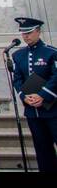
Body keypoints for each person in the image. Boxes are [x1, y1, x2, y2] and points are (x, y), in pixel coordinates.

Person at [10, 17, 56, 173]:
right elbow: (17, 79)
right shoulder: (18, 55)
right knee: (42, 148)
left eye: (29, 33)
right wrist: (24, 96)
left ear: (38, 31)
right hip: (32, 111)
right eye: (23, 33)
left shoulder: (51, 53)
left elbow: (55, 77)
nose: (26, 36)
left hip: (52, 110)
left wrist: (43, 95)